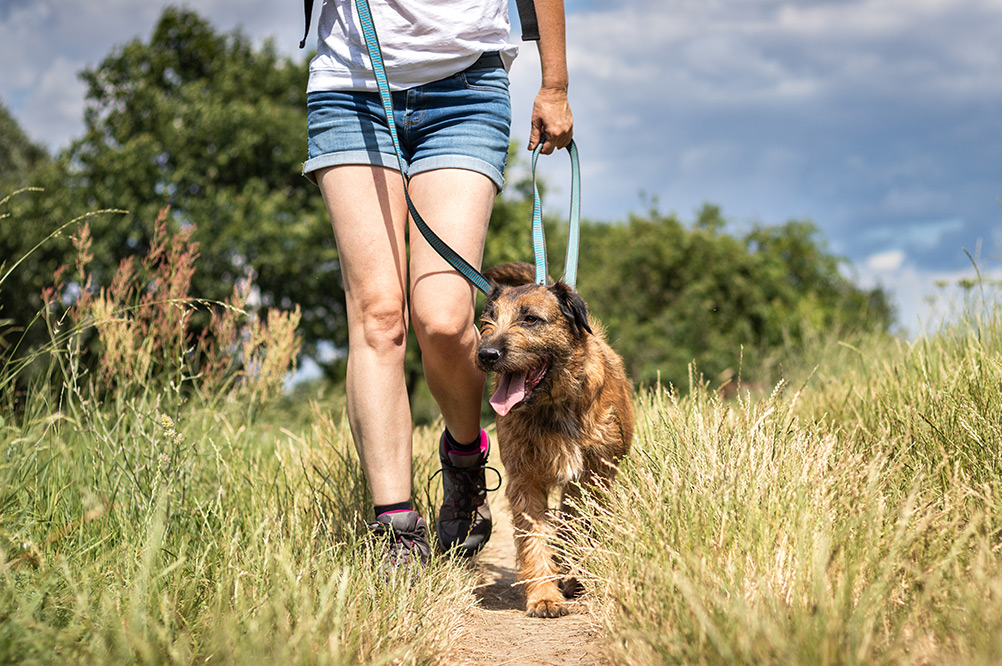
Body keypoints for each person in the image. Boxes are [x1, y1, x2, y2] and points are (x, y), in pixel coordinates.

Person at [302, 0, 574, 568]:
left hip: (465, 86)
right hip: (350, 84)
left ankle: (465, 459)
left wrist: (554, 83)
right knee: (378, 316)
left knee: (446, 321)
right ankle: (396, 527)